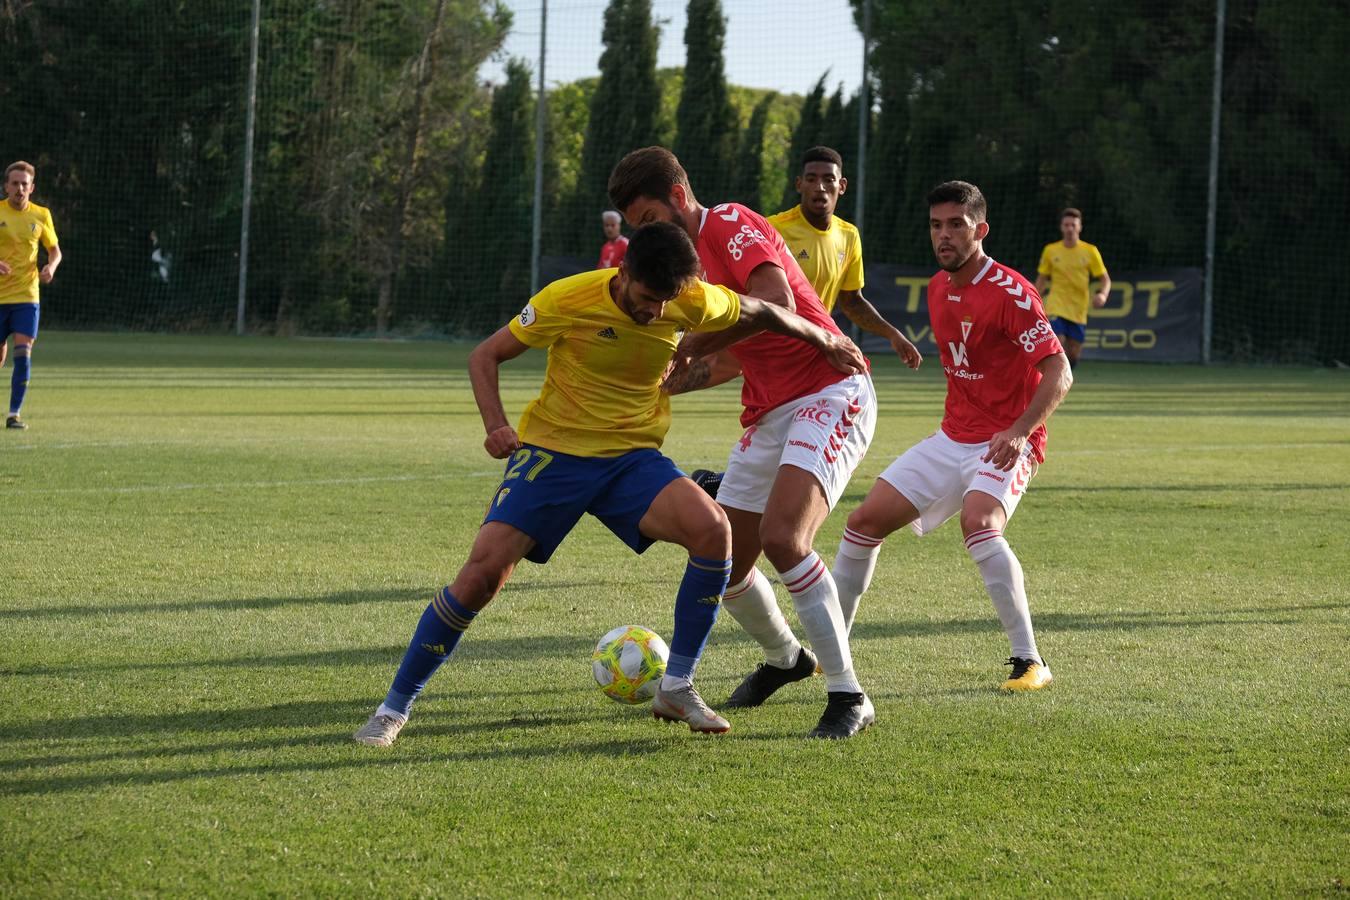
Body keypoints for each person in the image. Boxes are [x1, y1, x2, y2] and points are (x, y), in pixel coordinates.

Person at [353, 221, 867, 747]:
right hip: (554, 455)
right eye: (647, 299)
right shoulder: (567, 298)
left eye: (666, 301)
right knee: (481, 576)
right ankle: (393, 710)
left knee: (714, 531)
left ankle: (677, 686)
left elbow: (765, 310)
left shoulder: (688, 298)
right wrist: (496, 426)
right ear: (622, 274)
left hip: (630, 461)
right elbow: (485, 355)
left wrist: (825, 337)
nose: (656, 312)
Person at [609, 146, 878, 739]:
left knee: (785, 537)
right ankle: (787, 660)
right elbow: (735, 355)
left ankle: (849, 695)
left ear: (680, 197)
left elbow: (776, 305)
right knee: (722, 560)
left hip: (832, 390)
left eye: (651, 218)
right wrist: (671, 383)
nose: (649, 235)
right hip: (771, 409)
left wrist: (691, 348)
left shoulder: (728, 222)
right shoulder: (681, 271)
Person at [830, 180, 1072, 691]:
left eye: (955, 225)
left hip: (1006, 439)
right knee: (862, 523)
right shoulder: (939, 287)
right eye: (936, 225)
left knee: (979, 522)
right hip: (952, 438)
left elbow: (1059, 372)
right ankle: (832, 643)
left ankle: (1031, 660)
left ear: (979, 230)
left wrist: (1020, 430)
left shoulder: (1011, 292)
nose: (944, 235)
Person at [767, 146, 922, 366]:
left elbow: (852, 302)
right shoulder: (773, 229)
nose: (820, 187)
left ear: (842, 186)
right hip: (774, 349)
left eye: (829, 179)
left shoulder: (849, 235)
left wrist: (892, 334)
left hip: (818, 348)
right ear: (799, 184)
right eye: (811, 179)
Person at [0, 161, 62, 429]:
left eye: (24, 184)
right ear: (6, 186)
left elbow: (55, 249)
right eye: (15, 183)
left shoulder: (41, 215)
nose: (19, 188)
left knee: (23, 353)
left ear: (32, 188)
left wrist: (51, 266)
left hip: (27, 297)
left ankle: (14, 414)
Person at [1034, 207, 1110, 369]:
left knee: (1074, 353)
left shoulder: (1090, 251)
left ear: (1080, 227)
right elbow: (1041, 280)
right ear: (1061, 227)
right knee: (1057, 343)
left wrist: (1103, 294)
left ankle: (1063, 378)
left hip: (1078, 309)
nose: (1070, 228)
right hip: (1056, 306)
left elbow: (1105, 280)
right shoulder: (1050, 250)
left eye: (1073, 225)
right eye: (1066, 225)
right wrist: (1032, 301)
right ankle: (1050, 382)